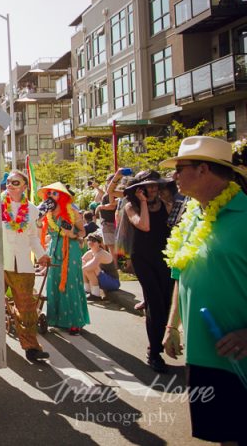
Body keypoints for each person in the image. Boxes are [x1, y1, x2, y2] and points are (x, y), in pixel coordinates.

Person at [161, 136, 247, 444]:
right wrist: (173, 325)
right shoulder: (193, 215)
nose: (174, 176)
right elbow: (181, 274)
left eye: (180, 168)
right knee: (223, 434)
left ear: (203, 171)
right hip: (202, 354)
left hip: (239, 353)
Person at [123, 170, 173, 373]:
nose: (152, 190)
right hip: (143, 259)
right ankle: (154, 352)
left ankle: (159, 341)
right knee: (154, 302)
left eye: (155, 186)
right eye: (148, 186)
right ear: (139, 189)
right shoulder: (130, 206)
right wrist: (143, 202)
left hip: (164, 258)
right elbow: (143, 225)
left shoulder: (166, 205)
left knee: (166, 301)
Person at [1, 170, 51, 361]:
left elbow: (32, 237)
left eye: (15, 182)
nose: (10, 185)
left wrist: (41, 255)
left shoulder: (32, 210)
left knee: (27, 308)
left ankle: (31, 348)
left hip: (22, 264)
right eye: (8, 182)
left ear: (24, 186)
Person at [39, 182, 88, 335]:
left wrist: (72, 233)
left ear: (62, 196)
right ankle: (56, 319)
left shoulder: (72, 211)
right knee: (53, 282)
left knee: (70, 283)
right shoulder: (47, 212)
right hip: (54, 250)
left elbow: (82, 233)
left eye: (54, 194)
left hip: (70, 251)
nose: (51, 197)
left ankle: (74, 321)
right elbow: (37, 225)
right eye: (49, 194)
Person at [81, 232, 117, 301]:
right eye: (89, 239)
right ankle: (87, 290)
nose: (90, 242)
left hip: (113, 282)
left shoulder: (101, 253)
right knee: (84, 264)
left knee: (89, 267)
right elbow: (80, 262)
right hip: (104, 279)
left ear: (99, 243)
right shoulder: (91, 252)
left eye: (93, 240)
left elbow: (89, 267)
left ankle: (95, 294)